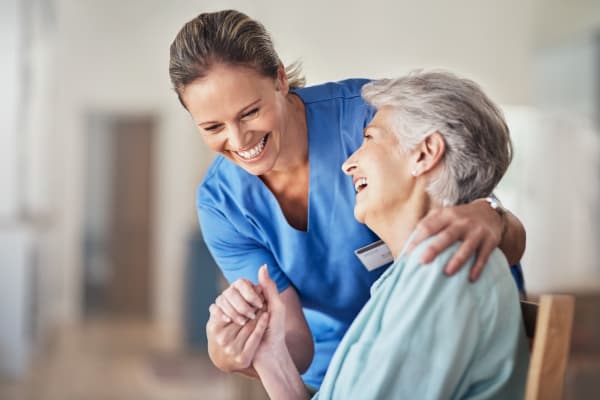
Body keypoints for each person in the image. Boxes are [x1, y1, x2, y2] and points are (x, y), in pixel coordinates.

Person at [168, 10, 527, 388]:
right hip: (344, 369)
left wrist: (491, 214)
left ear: (279, 79)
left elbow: (475, 190)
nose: (239, 141)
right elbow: (289, 337)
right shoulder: (222, 202)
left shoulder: (373, 119)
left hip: (437, 334)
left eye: (250, 112)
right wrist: (245, 349)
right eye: (212, 127)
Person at [251, 70, 530, 399]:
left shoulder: (444, 270)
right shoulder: (412, 275)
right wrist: (273, 361)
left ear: (424, 154)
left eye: (369, 138)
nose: (348, 164)